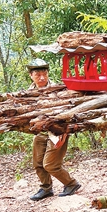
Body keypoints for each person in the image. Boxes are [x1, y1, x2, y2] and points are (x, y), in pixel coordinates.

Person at [27, 59, 81, 201]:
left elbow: (67, 114)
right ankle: (46, 188)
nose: (42, 77)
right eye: (38, 74)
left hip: (57, 132)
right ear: (31, 75)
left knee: (50, 164)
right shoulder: (28, 93)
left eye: (44, 73)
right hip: (40, 133)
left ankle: (71, 183)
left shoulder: (58, 90)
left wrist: (63, 135)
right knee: (38, 164)